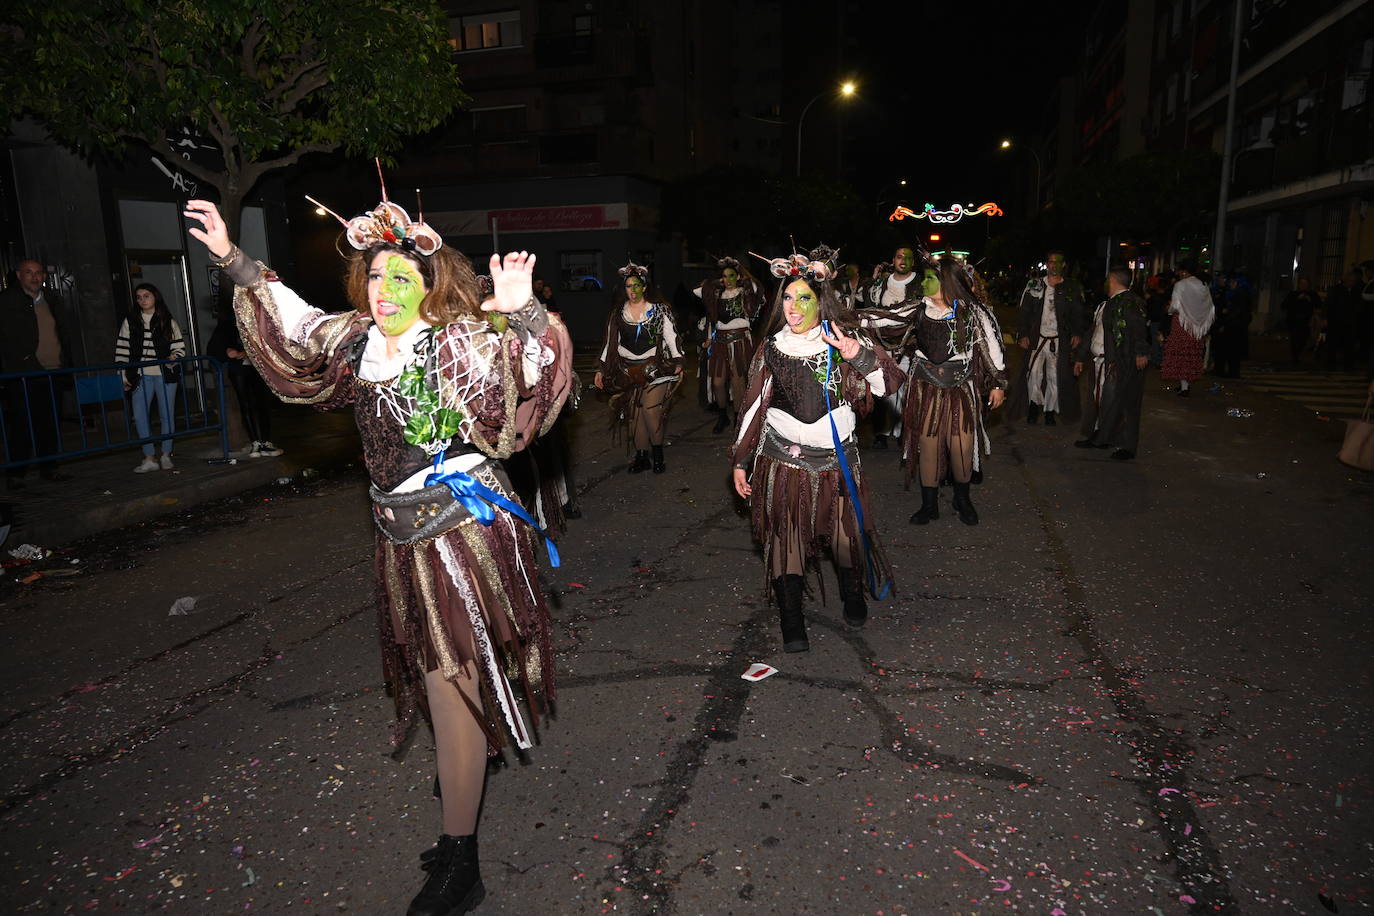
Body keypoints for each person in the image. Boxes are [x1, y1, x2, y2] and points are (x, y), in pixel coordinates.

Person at [183, 188, 573, 916]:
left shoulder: (459, 340)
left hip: (463, 531)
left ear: (430, 286)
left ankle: (462, 860)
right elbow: (294, 322)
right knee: (442, 674)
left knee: (448, 684)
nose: (383, 289)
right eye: (373, 276)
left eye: (401, 277)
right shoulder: (357, 342)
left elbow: (534, 379)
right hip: (397, 535)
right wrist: (233, 260)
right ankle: (470, 768)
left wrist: (519, 310)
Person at [731, 246, 901, 652]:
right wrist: (740, 460)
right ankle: (792, 620)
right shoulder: (771, 347)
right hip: (782, 461)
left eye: (803, 297)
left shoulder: (844, 340)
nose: (793, 306)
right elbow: (753, 405)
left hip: (835, 462)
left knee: (845, 540)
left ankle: (853, 594)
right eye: (787, 297)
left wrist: (855, 355)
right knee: (786, 542)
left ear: (820, 300)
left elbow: (888, 385)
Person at [901, 256, 1007, 526]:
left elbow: (992, 349)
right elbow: (880, 322)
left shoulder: (973, 312)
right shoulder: (917, 309)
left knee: (961, 446)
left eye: (929, 278)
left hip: (960, 386)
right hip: (925, 387)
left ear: (947, 283)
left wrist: (997, 384)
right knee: (928, 446)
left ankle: (963, 499)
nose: (923, 282)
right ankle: (929, 505)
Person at [594, 262, 683, 473]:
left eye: (636, 285)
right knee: (634, 415)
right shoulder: (618, 314)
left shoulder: (660, 311)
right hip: (627, 371)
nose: (632, 290)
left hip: (655, 369)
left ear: (644, 287)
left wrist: (679, 361)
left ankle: (658, 454)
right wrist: (601, 369)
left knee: (651, 411)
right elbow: (609, 344)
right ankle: (642, 456)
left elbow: (672, 338)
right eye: (628, 286)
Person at [1, 258, 72, 485]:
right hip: (22, 374)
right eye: (29, 272)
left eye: (39, 272)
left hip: (53, 372)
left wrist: (67, 362)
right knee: (21, 423)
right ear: (19, 275)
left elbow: (63, 332)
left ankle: (49, 468)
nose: (35, 277)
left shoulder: (52, 299)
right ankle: (16, 473)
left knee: (50, 423)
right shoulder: (6, 301)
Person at [1074, 267, 1151, 460]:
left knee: (1125, 404)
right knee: (1102, 402)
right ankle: (1101, 436)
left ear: (1113, 280)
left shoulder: (1130, 303)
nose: (1105, 283)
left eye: (1108, 279)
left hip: (1121, 363)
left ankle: (1127, 446)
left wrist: (1141, 352)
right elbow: (1092, 332)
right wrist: (1080, 357)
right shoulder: (1105, 305)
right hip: (1101, 362)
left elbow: (1139, 328)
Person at [856, 246, 924, 448]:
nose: (903, 260)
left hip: (909, 346)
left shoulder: (921, 284)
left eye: (908, 258)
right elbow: (867, 303)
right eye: (899, 256)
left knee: (905, 389)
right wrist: (873, 278)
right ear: (893, 260)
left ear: (913, 262)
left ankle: (904, 431)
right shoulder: (881, 283)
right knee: (883, 387)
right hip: (881, 344)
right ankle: (882, 433)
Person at [1007, 250, 1084, 427]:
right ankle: (1034, 407)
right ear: (1047, 264)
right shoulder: (1035, 285)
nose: (1054, 265)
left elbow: (1078, 314)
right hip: (1037, 340)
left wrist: (1077, 333)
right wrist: (1023, 334)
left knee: (1054, 376)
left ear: (1064, 265)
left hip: (1059, 341)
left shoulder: (1071, 288)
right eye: (1051, 262)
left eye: (1058, 262)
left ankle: (1050, 410)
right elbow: (1024, 312)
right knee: (1033, 374)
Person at [114, 283, 186, 472]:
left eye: (146, 295)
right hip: (139, 375)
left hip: (164, 375)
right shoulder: (130, 321)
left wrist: (174, 357)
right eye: (138, 297)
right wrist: (123, 374)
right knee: (139, 416)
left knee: (166, 416)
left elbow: (179, 348)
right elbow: (122, 350)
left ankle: (166, 454)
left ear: (155, 297)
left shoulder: (166, 320)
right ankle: (149, 457)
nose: (142, 300)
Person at [695, 257, 765, 433]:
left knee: (737, 382)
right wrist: (716, 281)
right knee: (718, 382)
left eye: (731, 275)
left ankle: (737, 418)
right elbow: (698, 290)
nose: (727, 280)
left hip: (740, 340)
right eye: (724, 276)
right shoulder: (717, 294)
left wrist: (743, 273)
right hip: (720, 341)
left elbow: (758, 288)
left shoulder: (746, 293)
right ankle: (722, 415)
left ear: (738, 276)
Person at [207, 301, 282, 458]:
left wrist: (250, 353)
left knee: (262, 403)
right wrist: (228, 351)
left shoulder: (258, 320)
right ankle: (255, 442)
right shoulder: (228, 323)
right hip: (239, 368)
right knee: (245, 404)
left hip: (258, 367)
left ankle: (265, 441)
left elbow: (270, 342)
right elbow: (214, 347)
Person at [1159, 261, 1213, 396]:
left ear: (1184, 272)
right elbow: (1209, 306)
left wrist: (1169, 310)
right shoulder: (1203, 285)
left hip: (1182, 323)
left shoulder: (1180, 285)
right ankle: (1184, 384)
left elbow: (1175, 305)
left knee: (1180, 354)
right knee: (1190, 354)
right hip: (1196, 326)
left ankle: (1184, 387)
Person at [1213, 272, 1252, 378]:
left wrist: (1227, 314)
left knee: (1233, 352)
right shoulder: (1236, 293)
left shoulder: (1239, 294)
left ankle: (1233, 373)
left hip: (1235, 327)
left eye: (1231, 282)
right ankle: (1231, 372)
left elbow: (1238, 312)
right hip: (1234, 326)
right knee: (1231, 351)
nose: (1229, 284)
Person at [1280, 277, 1319, 366]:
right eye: (1302, 284)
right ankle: (1295, 357)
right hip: (1294, 321)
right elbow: (1284, 305)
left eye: (1305, 284)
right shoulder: (1293, 294)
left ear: (1308, 285)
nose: (1303, 286)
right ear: (1299, 285)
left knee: (1304, 339)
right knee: (1294, 339)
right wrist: (1297, 299)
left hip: (1306, 321)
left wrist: (1310, 300)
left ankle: (1297, 354)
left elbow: (1318, 304)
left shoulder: (1312, 294)